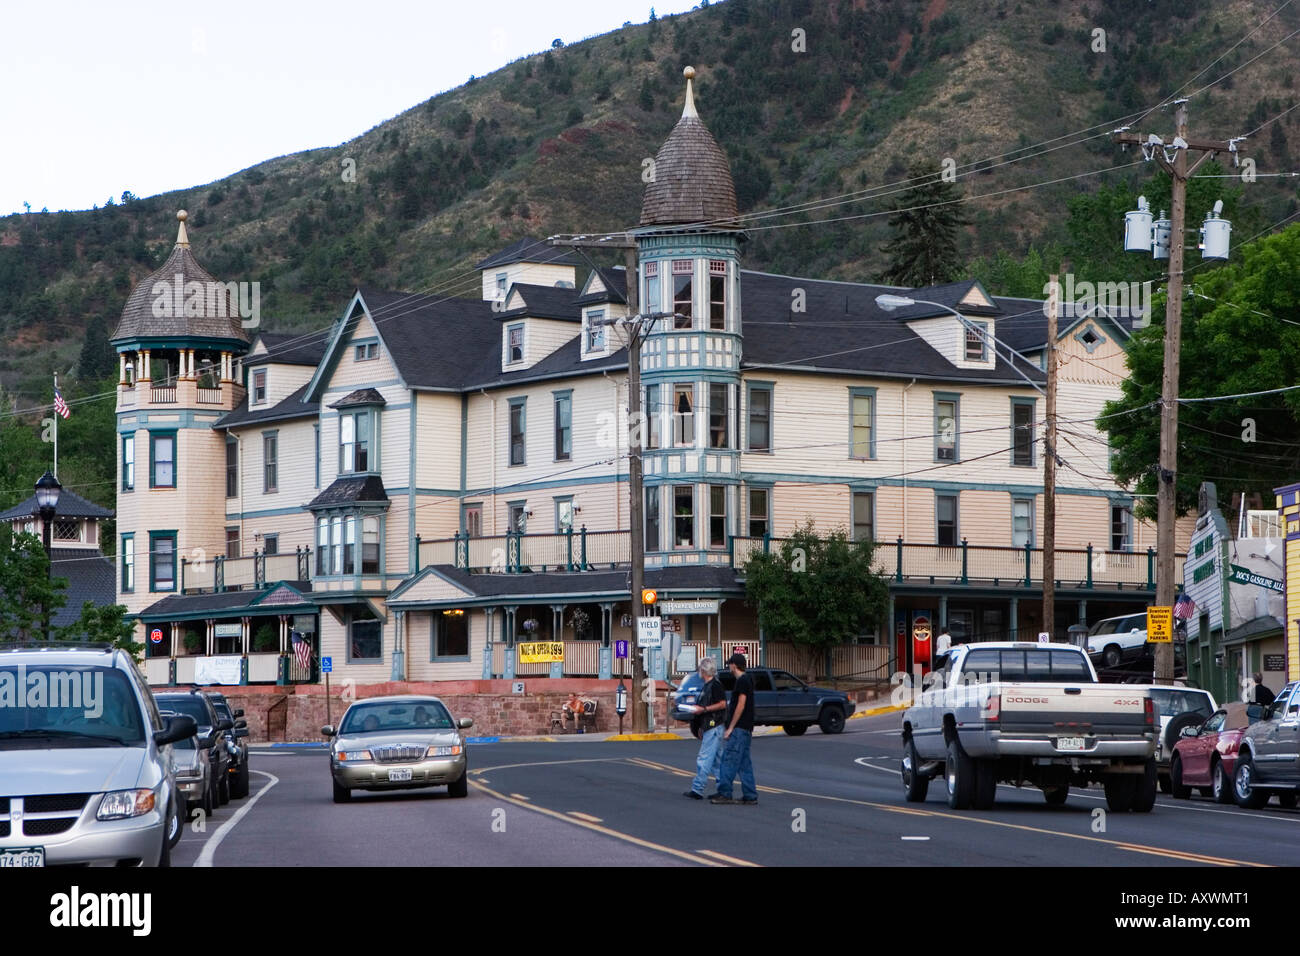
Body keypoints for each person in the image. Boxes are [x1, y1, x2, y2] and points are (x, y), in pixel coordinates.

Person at [710, 653, 758, 805]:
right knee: (744, 763)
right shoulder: (746, 680)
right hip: (745, 729)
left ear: (734, 665)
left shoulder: (742, 681)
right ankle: (750, 795)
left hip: (739, 728)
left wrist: (731, 727)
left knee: (728, 760)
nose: (729, 666)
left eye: (730, 664)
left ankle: (725, 793)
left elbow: (741, 705)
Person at [683, 657, 726, 799]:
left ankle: (697, 789)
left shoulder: (715, 685)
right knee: (717, 760)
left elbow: (722, 704)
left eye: (700, 669)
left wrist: (703, 709)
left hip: (714, 726)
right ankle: (723, 789)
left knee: (704, 757)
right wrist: (701, 726)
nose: (698, 671)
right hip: (711, 726)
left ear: (704, 670)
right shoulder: (707, 685)